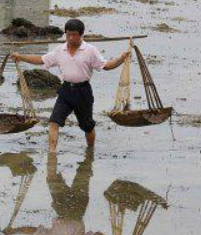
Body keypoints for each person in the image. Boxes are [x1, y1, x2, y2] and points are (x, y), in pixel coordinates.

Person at [11, 19, 129, 152]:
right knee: (54, 122)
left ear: (81, 34)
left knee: (87, 126)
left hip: (83, 91)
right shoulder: (60, 50)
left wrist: (121, 59)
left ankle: (90, 151)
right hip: (66, 91)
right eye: (68, 35)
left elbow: (106, 66)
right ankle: (52, 154)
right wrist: (21, 57)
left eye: (74, 35)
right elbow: (41, 60)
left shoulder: (90, 50)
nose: (71, 38)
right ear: (65, 34)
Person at [3, 152, 115, 235]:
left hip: (60, 206)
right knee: (83, 172)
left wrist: (13, 231)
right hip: (78, 207)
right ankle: (89, 150)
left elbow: (32, 231)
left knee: (51, 177)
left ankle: (52, 149)